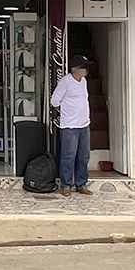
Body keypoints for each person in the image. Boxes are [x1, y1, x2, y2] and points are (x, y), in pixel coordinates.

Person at [50, 56, 92, 197]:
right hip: (70, 126)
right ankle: (66, 185)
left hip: (84, 124)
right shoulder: (65, 82)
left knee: (84, 156)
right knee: (68, 156)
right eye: (82, 67)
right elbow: (55, 101)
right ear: (74, 69)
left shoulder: (84, 81)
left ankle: (81, 184)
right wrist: (66, 112)